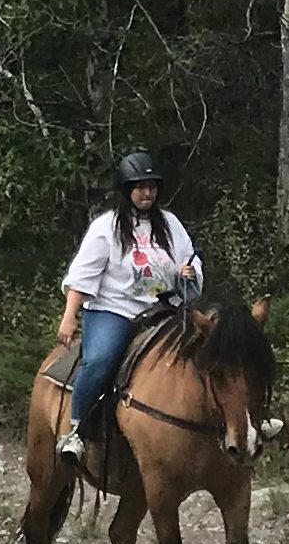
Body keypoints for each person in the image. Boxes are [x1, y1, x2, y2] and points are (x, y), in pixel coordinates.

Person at [54, 150, 201, 462]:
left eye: (152, 187)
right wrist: (69, 316)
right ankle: (76, 430)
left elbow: (189, 257)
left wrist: (190, 271)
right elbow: (82, 275)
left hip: (165, 309)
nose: (147, 193)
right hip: (116, 309)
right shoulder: (106, 227)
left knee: (210, 345)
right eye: (140, 187)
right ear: (126, 189)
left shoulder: (171, 224)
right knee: (101, 359)